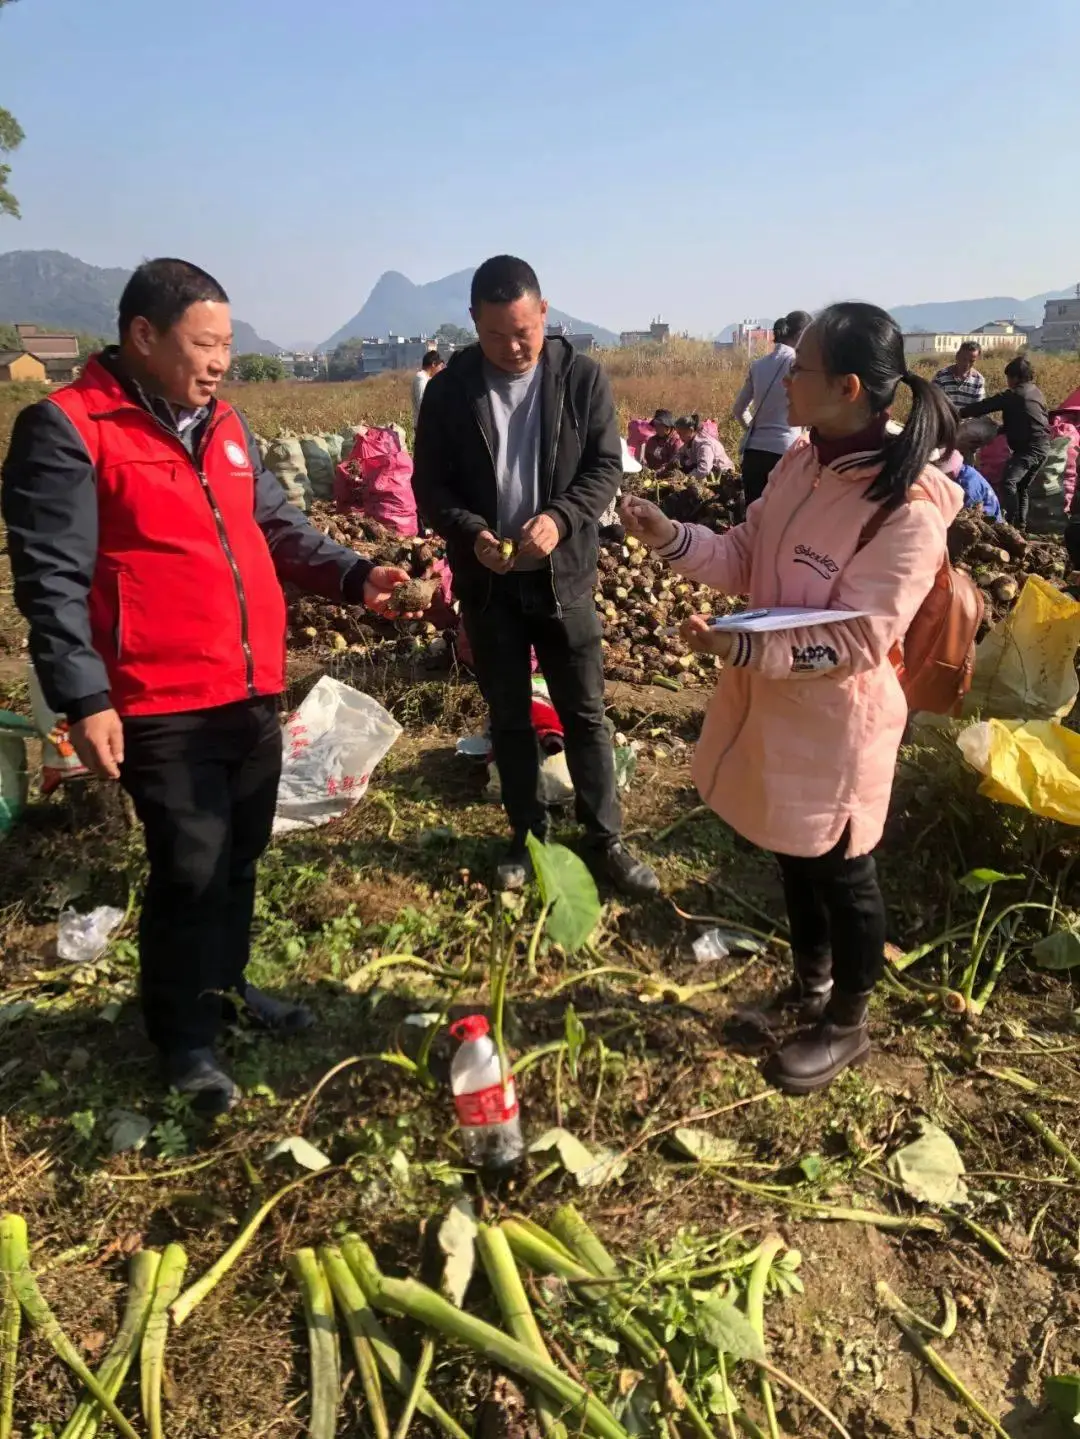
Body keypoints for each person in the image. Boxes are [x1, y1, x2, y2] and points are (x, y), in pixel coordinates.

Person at [1, 258, 417, 1116]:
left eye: (228, 343)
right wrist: (84, 697)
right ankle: (183, 1037)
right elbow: (49, 576)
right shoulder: (70, 428)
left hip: (248, 685)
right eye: (206, 343)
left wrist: (353, 577)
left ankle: (225, 991)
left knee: (239, 853)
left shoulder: (224, 422)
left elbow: (275, 527)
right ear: (143, 337)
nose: (222, 359)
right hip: (156, 695)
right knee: (188, 864)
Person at [620, 301, 961, 1094]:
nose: (784, 382)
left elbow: (858, 641)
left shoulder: (904, 511)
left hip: (840, 721)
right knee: (792, 849)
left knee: (843, 866)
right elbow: (746, 554)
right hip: (777, 703)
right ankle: (809, 983)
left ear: (846, 387)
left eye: (799, 370)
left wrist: (739, 644)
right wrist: (670, 537)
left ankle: (847, 1020)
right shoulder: (803, 465)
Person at [412, 254, 658, 898]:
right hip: (489, 581)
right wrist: (471, 531)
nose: (513, 347)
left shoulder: (581, 379)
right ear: (474, 323)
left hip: (563, 578)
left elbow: (605, 468)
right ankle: (528, 838)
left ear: (544, 313)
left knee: (584, 712)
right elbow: (429, 488)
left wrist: (561, 517)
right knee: (511, 716)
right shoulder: (450, 390)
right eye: (496, 335)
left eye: (524, 331)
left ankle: (606, 839)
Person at [958, 355, 1050, 529]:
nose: (1007, 382)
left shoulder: (1015, 394)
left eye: (1008, 378)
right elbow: (1025, 421)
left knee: (1009, 482)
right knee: (1021, 487)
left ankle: (1008, 524)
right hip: (1043, 446)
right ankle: (1019, 527)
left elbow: (985, 405)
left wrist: (958, 413)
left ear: (1015, 378)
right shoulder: (1035, 392)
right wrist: (996, 431)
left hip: (1030, 449)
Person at [732, 309, 812, 505]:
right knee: (782, 518)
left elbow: (738, 409)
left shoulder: (758, 365)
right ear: (802, 335)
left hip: (753, 453)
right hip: (785, 452)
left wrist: (757, 429)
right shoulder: (798, 363)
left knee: (753, 520)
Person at [939, 448, 1001, 518]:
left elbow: (969, 511)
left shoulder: (969, 484)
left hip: (989, 518)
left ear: (951, 472)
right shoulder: (965, 470)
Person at [674, 415, 734, 479]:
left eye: (680, 433)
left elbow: (704, 470)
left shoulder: (704, 445)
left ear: (690, 430)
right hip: (710, 472)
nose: (679, 437)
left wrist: (685, 478)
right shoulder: (690, 441)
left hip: (722, 475)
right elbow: (680, 454)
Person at [933, 341, 986, 409]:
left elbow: (978, 408)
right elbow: (933, 402)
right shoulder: (941, 376)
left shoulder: (978, 380)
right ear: (957, 356)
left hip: (968, 419)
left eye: (971, 361)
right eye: (964, 359)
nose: (966, 364)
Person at [412, 348, 445, 430]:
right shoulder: (421, 378)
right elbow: (422, 403)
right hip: (424, 427)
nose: (441, 370)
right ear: (433, 364)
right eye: (440, 366)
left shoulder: (427, 379)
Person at [643, 409, 682, 474]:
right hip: (650, 474)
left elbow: (673, 464)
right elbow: (646, 459)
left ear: (668, 427)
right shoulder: (651, 440)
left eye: (660, 425)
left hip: (667, 476)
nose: (656, 428)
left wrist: (659, 472)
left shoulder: (676, 442)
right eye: (656, 425)